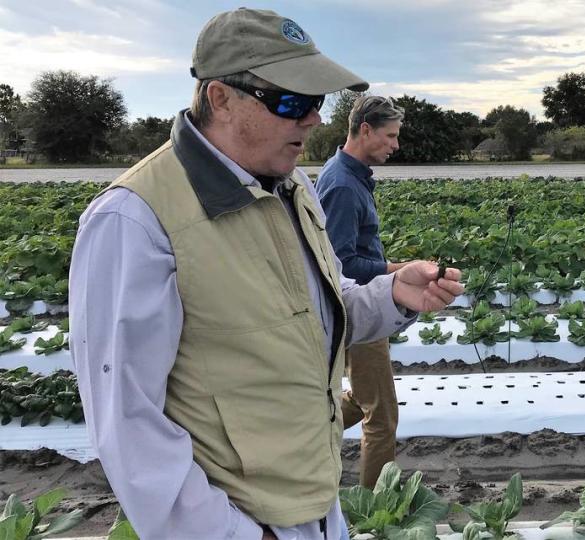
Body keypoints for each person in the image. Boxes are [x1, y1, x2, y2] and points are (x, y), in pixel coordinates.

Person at [68, 8, 463, 540]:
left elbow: (319, 311)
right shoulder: (134, 220)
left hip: (320, 507)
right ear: (220, 98)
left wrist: (391, 295)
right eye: (291, 102)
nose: (314, 120)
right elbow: (127, 425)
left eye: (317, 103)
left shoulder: (292, 186)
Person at [314, 95, 406, 488]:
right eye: (390, 135)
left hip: (362, 305)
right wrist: (395, 271)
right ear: (364, 130)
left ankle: (306, 431)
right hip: (358, 309)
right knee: (382, 417)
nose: (395, 145)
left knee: (362, 397)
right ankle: (376, 507)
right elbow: (339, 264)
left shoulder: (348, 175)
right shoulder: (343, 186)